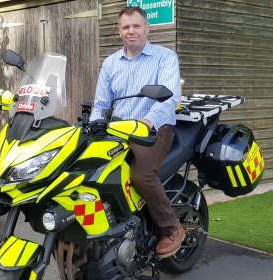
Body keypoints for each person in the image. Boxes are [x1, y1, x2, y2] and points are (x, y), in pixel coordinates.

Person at [90, 6, 184, 258]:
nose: (131, 31)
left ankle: (171, 228)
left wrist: (147, 122)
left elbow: (169, 98)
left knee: (141, 174)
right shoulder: (110, 63)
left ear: (146, 28)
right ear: (119, 31)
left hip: (154, 129)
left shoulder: (165, 57)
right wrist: (95, 126)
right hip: (117, 131)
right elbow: (100, 103)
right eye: (126, 27)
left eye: (136, 26)